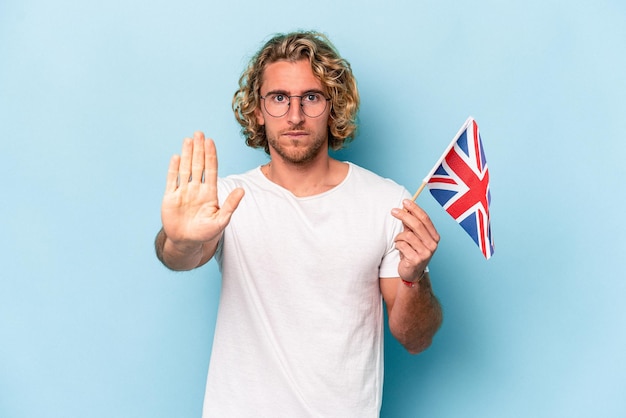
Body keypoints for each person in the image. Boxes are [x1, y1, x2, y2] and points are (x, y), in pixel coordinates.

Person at [155, 30, 443, 417]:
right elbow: (181, 256)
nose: (295, 115)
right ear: (257, 110)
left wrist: (415, 276)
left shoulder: (386, 203)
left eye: (311, 97)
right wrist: (180, 239)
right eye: (278, 98)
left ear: (332, 105)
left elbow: (415, 338)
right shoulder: (227, 199)